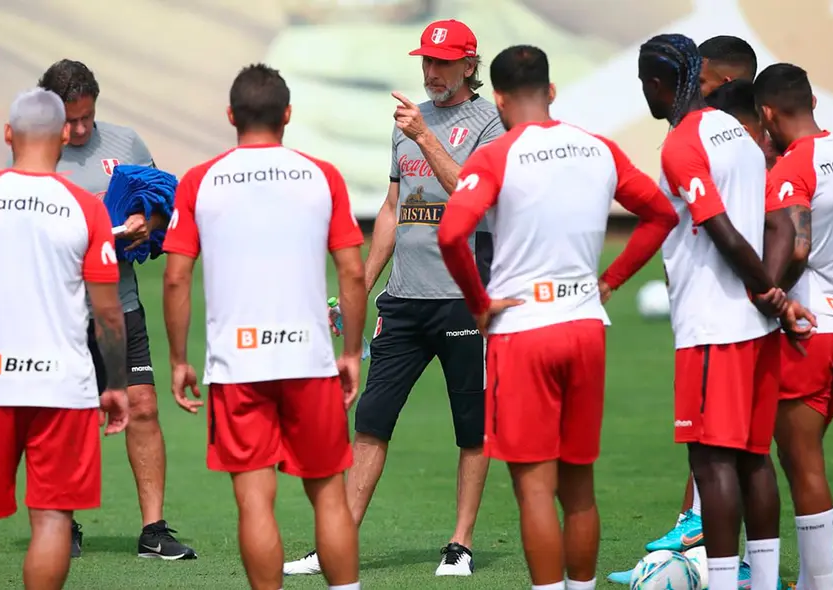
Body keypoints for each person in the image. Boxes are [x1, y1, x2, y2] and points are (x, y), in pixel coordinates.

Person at [437, 45, 678, 590]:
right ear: (551, 91)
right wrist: (611, 280)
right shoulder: (599, 149)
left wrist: (477, 302)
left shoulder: (497, 156)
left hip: (523, 331)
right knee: (580, 488)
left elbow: (452, 232)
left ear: (496, 99)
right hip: (585, 326)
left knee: (533, 489)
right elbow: (661, 213)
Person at [284, 19, 504, 578]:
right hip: (403, 300)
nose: (431, 72)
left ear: (469, 65)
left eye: (444, 62)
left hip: (464, 297)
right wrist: (357, 283)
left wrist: (425, 138)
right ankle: (337, 543)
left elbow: (469, 193)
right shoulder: (409, 120)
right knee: (371, 422)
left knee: (470, 427)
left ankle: (460, 544)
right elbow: (393, 209)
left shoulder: (490, 123)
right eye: (426, 61)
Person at [162, 63, 366, 590]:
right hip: (309, 360)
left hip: (238, 363)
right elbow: (352, 270)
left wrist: (180, 359)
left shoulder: (200, 180)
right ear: (288, 115)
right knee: (329, 494)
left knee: (254, 499)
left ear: (231, 115)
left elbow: (177, 279)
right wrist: (348, 353)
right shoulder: (323, 175)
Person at [636, 33, 815, 590]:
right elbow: (779, 224)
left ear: (659, 84)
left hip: (715, 327)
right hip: (753, 331)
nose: (645, 94)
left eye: (645, 85)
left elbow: (721, 232)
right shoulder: (742, 135)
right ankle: (761, 582)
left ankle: (719, 583)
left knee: (712, 464)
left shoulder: (683, 144)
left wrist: (770, 294)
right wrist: (773, 298)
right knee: (753, 459)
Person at [0, 88, 129, 590]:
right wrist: (116, 384)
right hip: (63, 390)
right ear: (65, 134)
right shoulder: (85, 208)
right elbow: (108, 314)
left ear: (7, 134)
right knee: (52, 519)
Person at [36, 59, 196, 560]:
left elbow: (160, 202)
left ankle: (154, 531)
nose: (80, 129)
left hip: (120, 305)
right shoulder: (34, 154)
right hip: (56, 311)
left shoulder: (126, 143)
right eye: (70, 120)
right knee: (65, 419)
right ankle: (63, 524)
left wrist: (146, 221)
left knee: (144, 407)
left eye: (87, 118)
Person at [755, 63, 833, 590]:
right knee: (806, 457)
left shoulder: (792, 169)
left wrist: (770, 293)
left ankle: (822, 583)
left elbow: (796, 246)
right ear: (813, 101)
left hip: (808, 331)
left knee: (802, 465)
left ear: (768, 114)